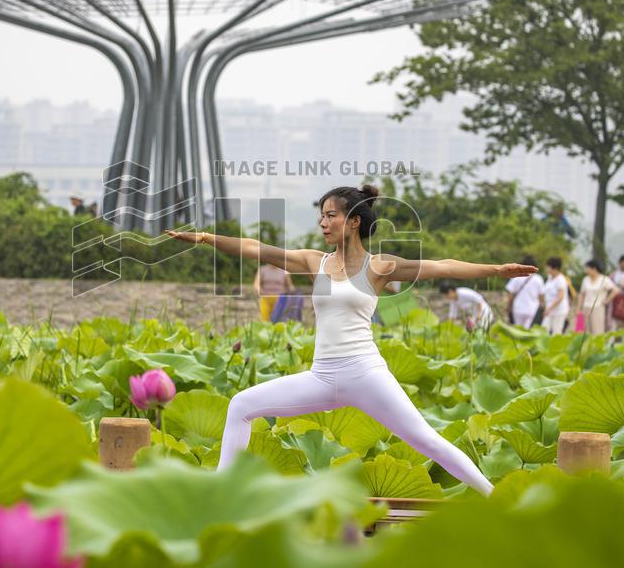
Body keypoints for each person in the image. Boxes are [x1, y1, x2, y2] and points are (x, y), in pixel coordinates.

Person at [167, 184, 537, 496]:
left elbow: (443, 266)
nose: (323, 223)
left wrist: (496, 269)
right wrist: (203, 237)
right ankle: (220, 493)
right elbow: (253, 248)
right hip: (322, 376)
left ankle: (496, 498)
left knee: (427, 441)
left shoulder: (379, 267)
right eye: (321, 216)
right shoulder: (316, 262)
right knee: (241, 405)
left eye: (331, 215)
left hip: (365, 373)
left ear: (354, 221)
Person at [575, 259, 620, 335]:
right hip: (586, 307)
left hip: (598, 307)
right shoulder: (585, 279)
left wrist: (606, 301)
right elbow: (582, 294)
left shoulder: (604, 279)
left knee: (597, 330)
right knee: (585, 331)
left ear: (594, 268)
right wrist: (578, 308)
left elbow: (615, 290)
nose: (586, 270)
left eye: (587, 268)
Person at [505, 255, 543, 327]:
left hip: (518, 308)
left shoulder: (516, 277)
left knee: (518, 330)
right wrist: (541, 307)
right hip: (533, 309)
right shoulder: (539, 279)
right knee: (528, 331)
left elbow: (511, 294)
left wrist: (508, 306)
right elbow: (541, 296)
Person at [540, 257, 570, 335]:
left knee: (556, 332)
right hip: (549, 309)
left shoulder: (560, 279)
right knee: (544, 329)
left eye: (548, 267)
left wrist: (549, 308)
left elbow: (560, 297)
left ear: (555, 268)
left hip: (559, 310)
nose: (547, 268)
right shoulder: (550, 278)